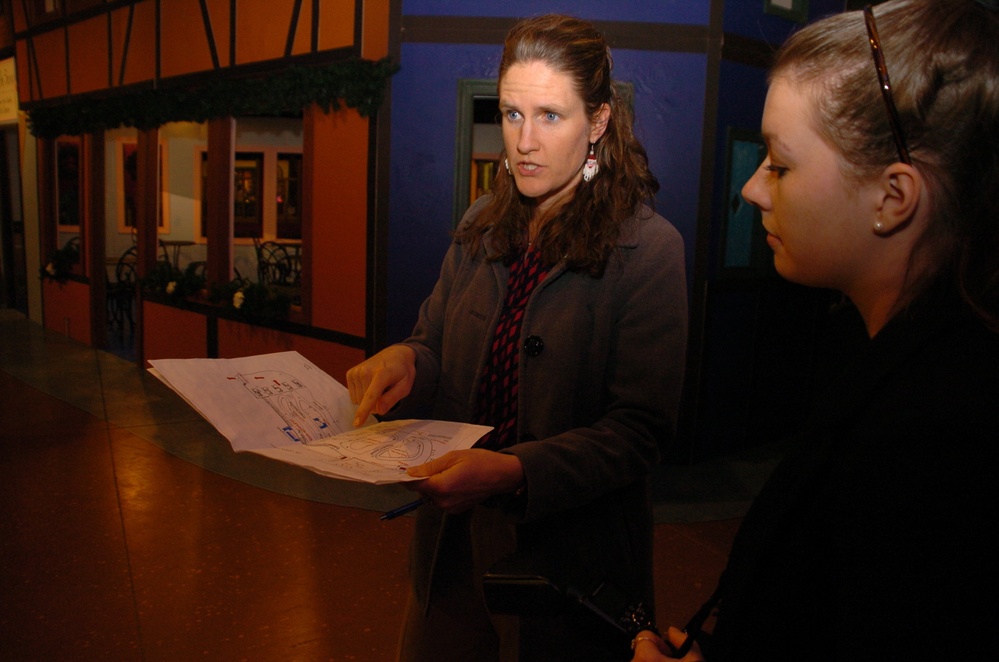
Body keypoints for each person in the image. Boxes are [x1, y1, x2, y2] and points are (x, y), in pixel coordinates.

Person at [630, 1, 999, 660]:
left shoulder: (940, 434)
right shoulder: (872, 353)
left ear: (891, 197)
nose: (751, 189)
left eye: (780, 163)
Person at [346, 13, 688, 662]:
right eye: (508, 113)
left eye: (549, 116)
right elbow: (434, 344)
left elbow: (639, 432)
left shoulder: (648, 249)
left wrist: (513, 471)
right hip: (451, 546)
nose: (523, 141)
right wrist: (407, 361)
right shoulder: (481, 221)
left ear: (597, 122)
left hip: (563, 561)